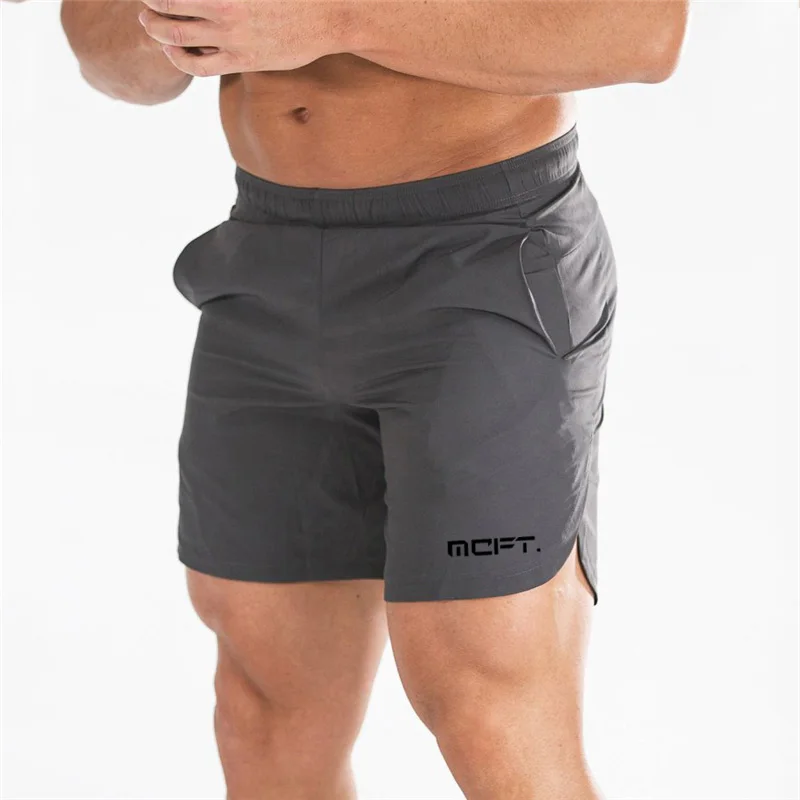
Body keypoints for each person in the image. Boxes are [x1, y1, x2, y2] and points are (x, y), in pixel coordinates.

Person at [48, 1, 688, 796]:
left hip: (483, 252)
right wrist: (173, 20)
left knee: (487, 705)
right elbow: (103, 53)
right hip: (268, 258)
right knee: (264, 712)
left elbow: (645, 32)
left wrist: (334, 21)